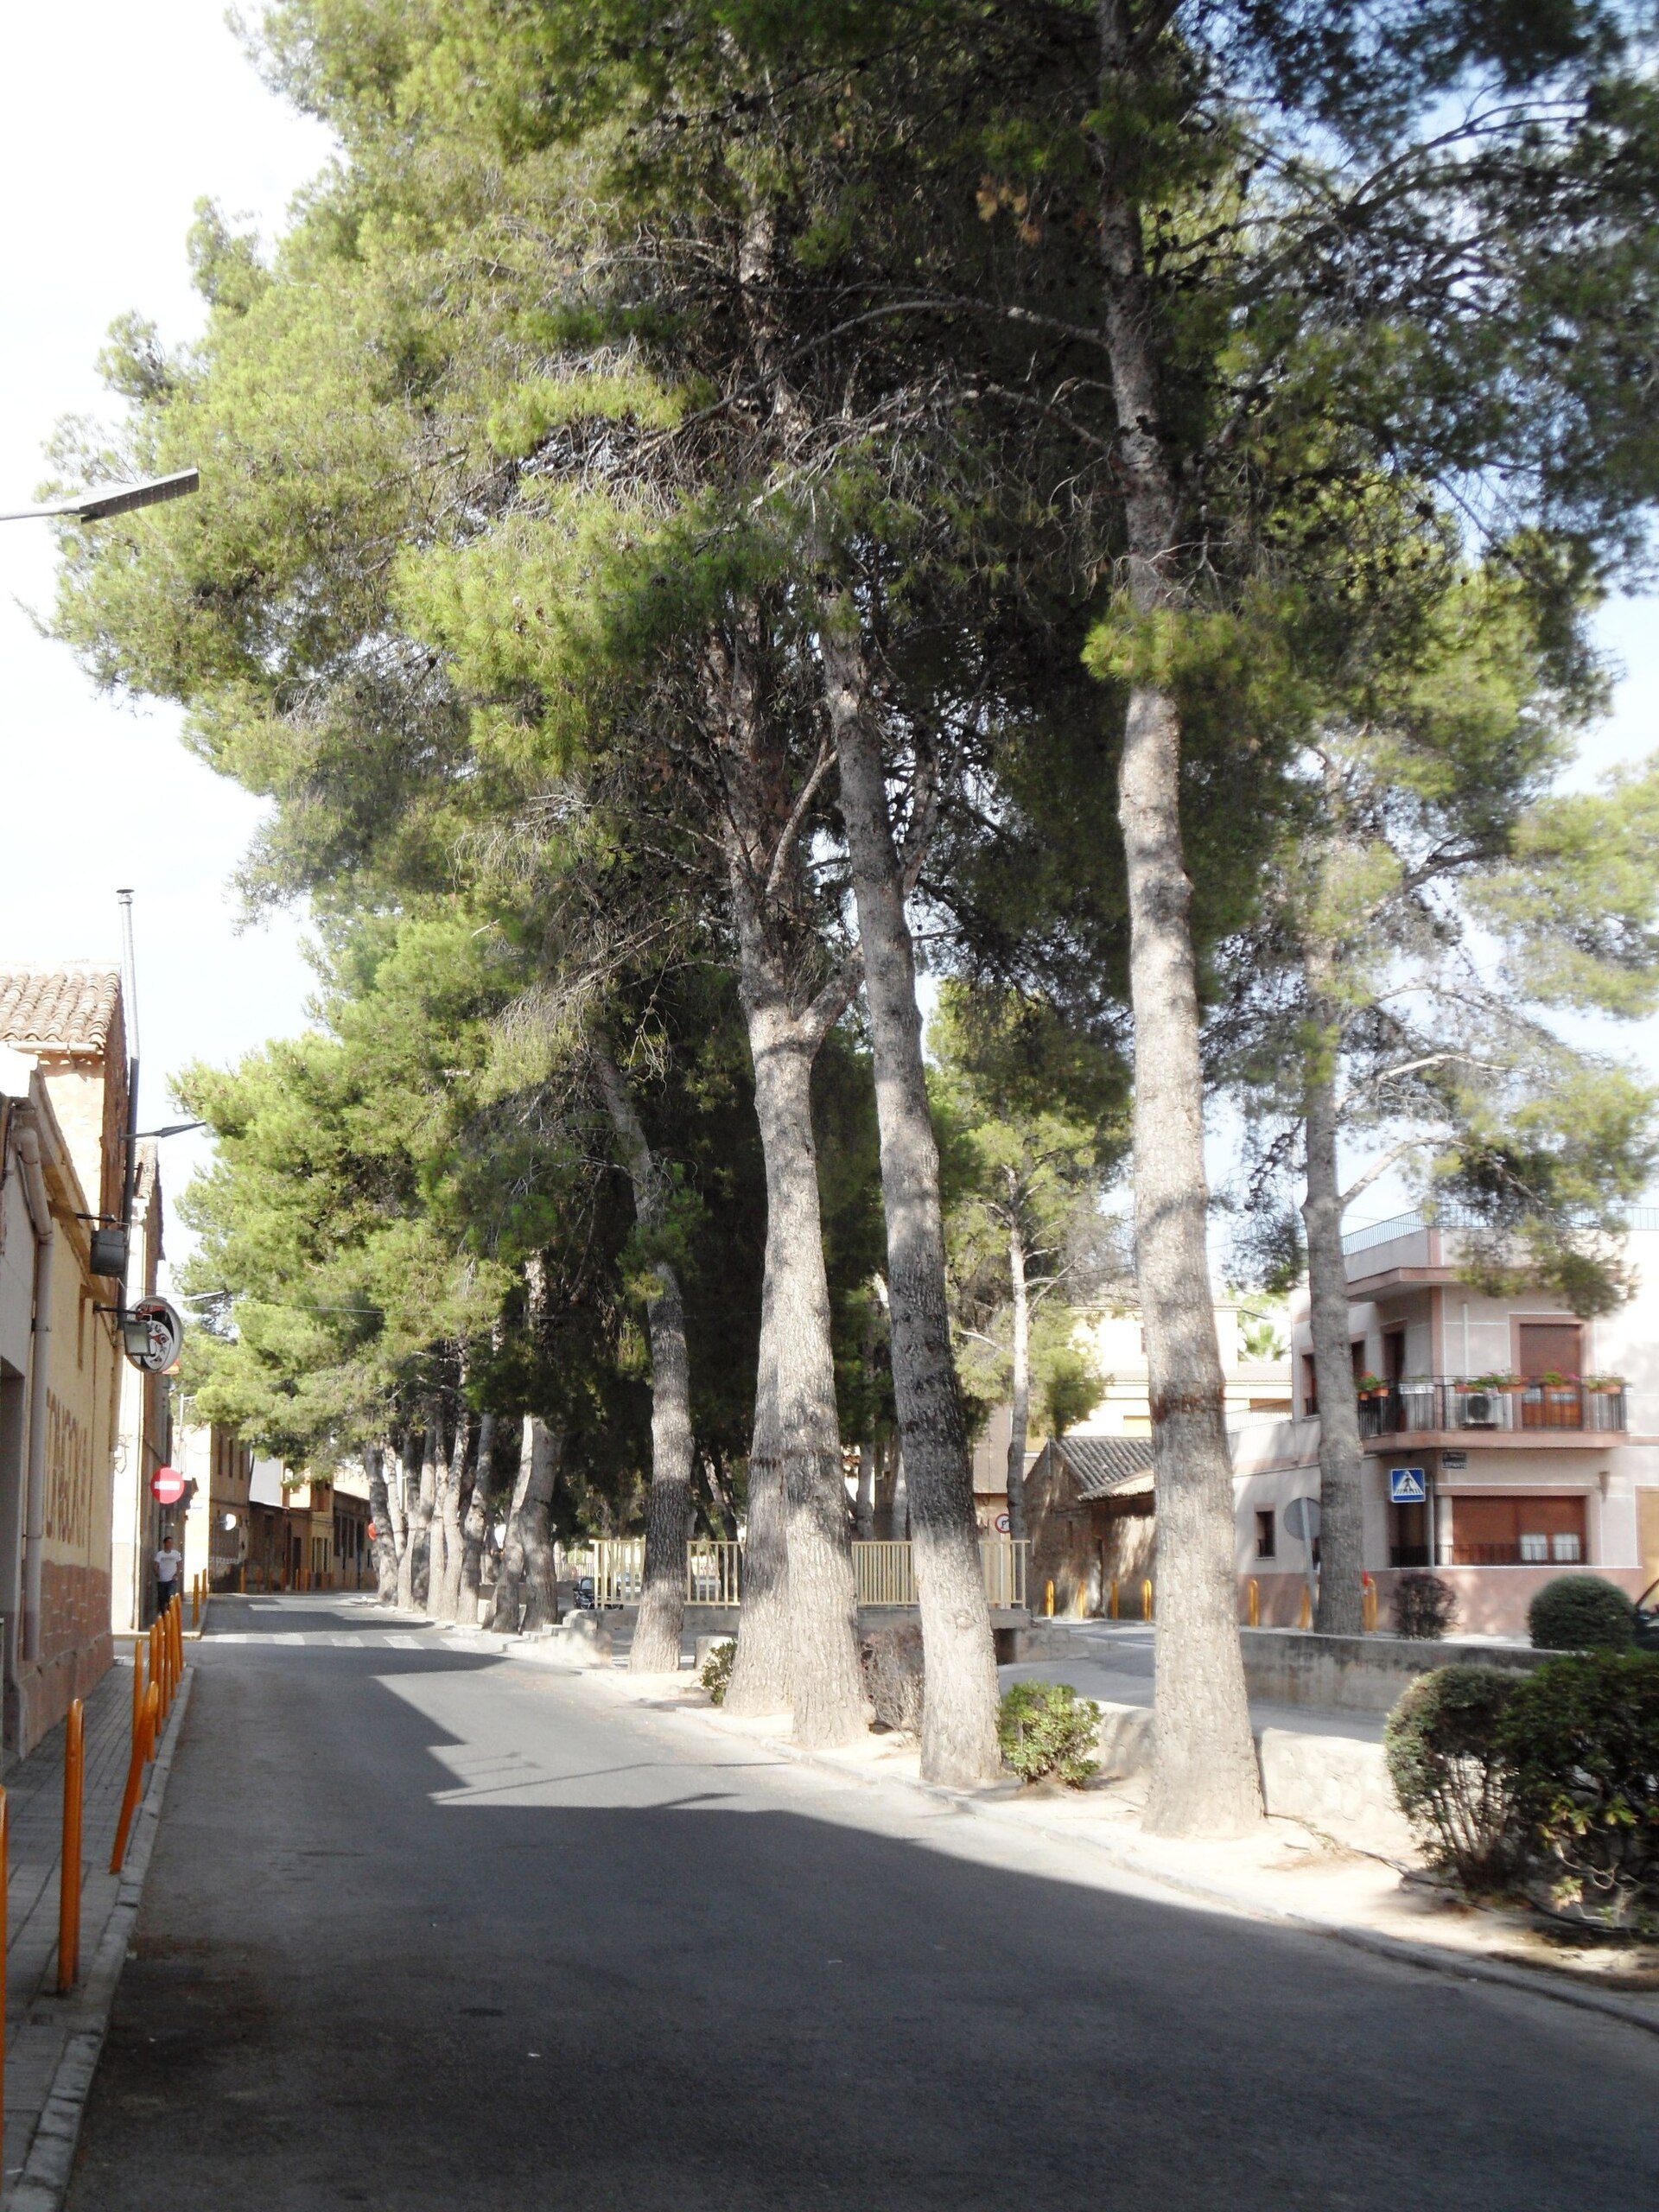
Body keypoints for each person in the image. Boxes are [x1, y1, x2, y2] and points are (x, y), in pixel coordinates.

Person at [153, 1530, 182, 1619]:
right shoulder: (160, 1554)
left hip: (171, 1580)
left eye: (171, 1543)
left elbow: (179, 1564)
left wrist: (177, 1574)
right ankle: (163, 1616)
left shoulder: (175, 1554)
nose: (170, 1544)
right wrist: (157, 1574)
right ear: (164, 1543)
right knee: (162, 1598)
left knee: (170, 1597)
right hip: (161, 1580)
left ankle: (170, 1615)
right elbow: (156, 1565)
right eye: (168, 1543)